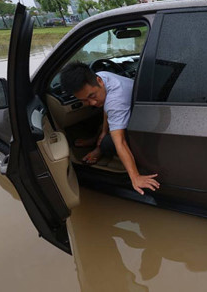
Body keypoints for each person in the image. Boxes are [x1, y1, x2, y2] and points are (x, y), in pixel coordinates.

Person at [60, 61, 159, 195]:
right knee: (104, 130)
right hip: (136, 108)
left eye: (92, 96)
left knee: (108, 142)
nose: (92, 103)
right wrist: (103, 131)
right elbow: (106, 107)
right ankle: (96, 139)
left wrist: (135, 177)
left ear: (99, 81)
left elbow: (121, 142)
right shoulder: (102, 77)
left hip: (147, 122)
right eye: (84, 100)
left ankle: (100, 148)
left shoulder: (115, 101)